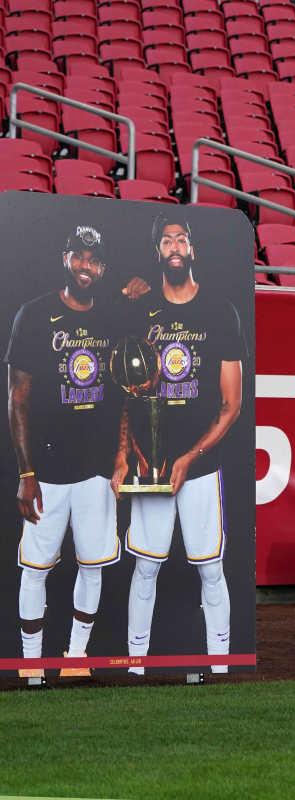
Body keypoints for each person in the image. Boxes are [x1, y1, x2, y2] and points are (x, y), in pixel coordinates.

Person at [113, 214, 246, 674]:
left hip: (200, 464)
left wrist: (192, 456)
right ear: (158, 254)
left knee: (211, 568)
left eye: (181, 239)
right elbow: (127, 388)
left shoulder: (218, 309)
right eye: (166, 239)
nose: (174, 245)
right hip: (152, 463)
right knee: (145, 567)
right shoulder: (139, 308)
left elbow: (232, 404)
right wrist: (128, 453)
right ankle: (134, 664)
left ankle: (222, 665)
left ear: (192, 250)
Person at [6, 226, 126, 678]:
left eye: (93, 260)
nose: (85, 267)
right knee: (36, 568)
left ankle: (76, 660)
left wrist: (120, 455)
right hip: (47, 468)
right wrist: (26, 471)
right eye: (79, 257)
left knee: (91, 566)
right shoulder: (34, 315)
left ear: (102, 268)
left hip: (96, 468)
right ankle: (32, 666)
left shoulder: (111, 320)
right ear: (65, 258)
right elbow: (17, 398)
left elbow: (121, 397)